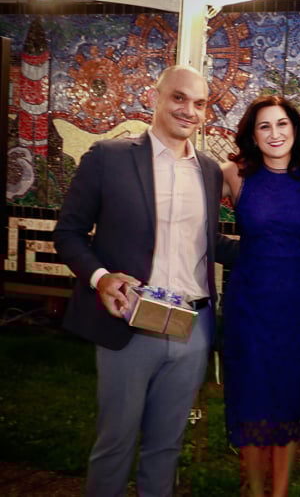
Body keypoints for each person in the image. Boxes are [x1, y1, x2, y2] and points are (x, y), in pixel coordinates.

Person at [53, 65, 238, 497]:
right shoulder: (108, 157)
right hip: (129, 323)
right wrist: (100, 278)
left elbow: (205, 241)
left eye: (199, 103)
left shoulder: (209, 171)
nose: (189, 111)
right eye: (179, 98)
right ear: (155, 97)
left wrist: (276, 250)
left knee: (167, 446)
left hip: (192, 326)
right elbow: (68, 232)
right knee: (115, 443)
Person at [220, 95, 300, 497]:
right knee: (251, 397)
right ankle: (253, 490)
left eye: (282, 123)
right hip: (249, 305)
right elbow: (187, 215)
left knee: (288, 398)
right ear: (253, 135)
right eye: (264, 126)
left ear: (295, 130)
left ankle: (280, 491)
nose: (274, 133)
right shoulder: (235, 175)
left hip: (298, 306)